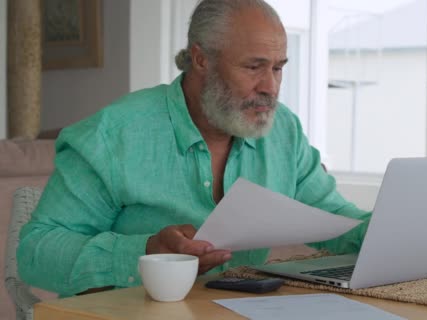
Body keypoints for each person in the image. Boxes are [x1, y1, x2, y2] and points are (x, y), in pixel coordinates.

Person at [18, 0, 370, 297]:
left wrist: (387, 231)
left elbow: (336, 219)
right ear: (201, 59)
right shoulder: (114, 135)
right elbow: (36, 254)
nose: (270, 87)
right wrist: (144, 253)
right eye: (254, 67)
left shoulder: (284, 132)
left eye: (278, 68)